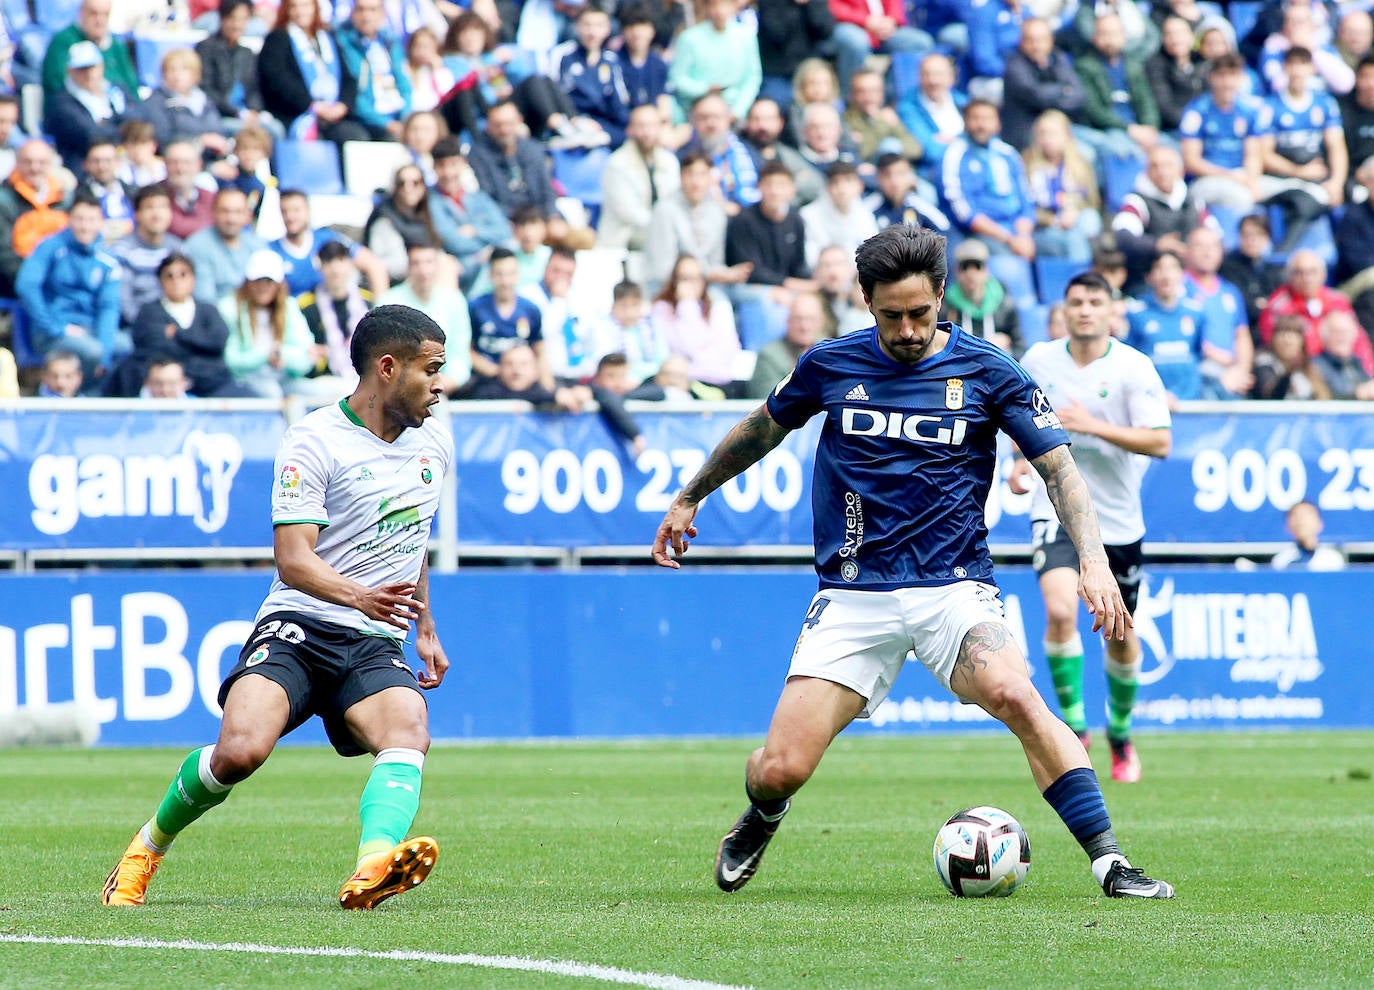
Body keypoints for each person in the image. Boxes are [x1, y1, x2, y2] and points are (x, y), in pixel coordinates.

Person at [650, 224, 1174, 900]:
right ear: (865, 299)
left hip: (953, 588)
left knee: (1017, 694)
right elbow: (760, 429)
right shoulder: (830, 363)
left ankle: (1111, 863)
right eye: (891, 315)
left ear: (941, 295)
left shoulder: (989, 370)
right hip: (853, 594)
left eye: (921, 313)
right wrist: (690, 497)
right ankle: (764, 814)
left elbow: (1060, 470)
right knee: (779, 769)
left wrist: (1094, 563)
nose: (907, 330)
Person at [102, 303, 452, 910]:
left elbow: (412, 540)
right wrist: (361, 596)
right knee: (239, 752)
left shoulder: (434, 446)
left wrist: (425, 624)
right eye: (432, 369)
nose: (440, 384)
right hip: (299, 625)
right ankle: (145, 849)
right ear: (388, 367)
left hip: (372, 639)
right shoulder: (315, 439)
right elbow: (293, 559)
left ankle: (372, 866)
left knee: (408, 731)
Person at [1012, 271, 1172, 783]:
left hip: (1117, 521)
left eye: (1094, 302)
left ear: (1110, 311)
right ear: (1063, 310)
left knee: (1120, 634)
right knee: (1061, 610)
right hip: (1055, 508)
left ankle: (1120, 735)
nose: (1084, 310)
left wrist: (1090, 426)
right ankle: (1076, 728)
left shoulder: (1134, 367)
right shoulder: (1039, 360)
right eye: (1076, 301)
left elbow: (1160, 441)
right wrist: (1017, 462)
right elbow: (1018, 421)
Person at [15, 193, 124, 387]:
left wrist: (105, 351)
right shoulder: (50, 247)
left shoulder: (108, 260)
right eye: (79, 219)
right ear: (69, 219)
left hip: (89, 329)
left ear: (101, 222)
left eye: (91, 220)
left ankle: (96, 395)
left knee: (124, 346)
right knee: (93, 352)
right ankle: (83, 397)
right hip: (51, 332)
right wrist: (56, 327)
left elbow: (108, 307)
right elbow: (26, 286)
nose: (85, 226)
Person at [217, 248, 316, 397]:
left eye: (269, 281)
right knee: (272, 393)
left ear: (278, 284)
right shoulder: (229, 308)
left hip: (286, 378)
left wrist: (283, 355)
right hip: (245, 380)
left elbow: (306, 357)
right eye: (258, 281)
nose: (263, 287)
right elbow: (230, 360)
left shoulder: (289, 307)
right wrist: (265, 355)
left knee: (332, 390)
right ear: (248, 282)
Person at [938, 239, 1024, 356]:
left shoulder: (1005, 305)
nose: (970, 274)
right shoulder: (945, 306)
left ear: (986, 270)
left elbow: (1020, 348)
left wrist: (1007, 350)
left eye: (977, 266)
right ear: (956, 271)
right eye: (964, 267)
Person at [184, 187, 269, 304]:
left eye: (238, 212)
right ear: (213, 213)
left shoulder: (258, 245)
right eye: (225, 211)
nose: (231, 219)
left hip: (253, 311)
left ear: (247, 216)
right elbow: (204, 299)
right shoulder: (197, 246)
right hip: (214, 312)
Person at [746, 291, 826, 399]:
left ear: (821, 322)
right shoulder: (769, 356)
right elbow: (768, 402)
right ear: (788, 320)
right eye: (798, 319)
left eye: (811, 319)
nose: (805, 326)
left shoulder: (830, 352)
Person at [1271, 500, 1346, 571]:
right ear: (1288, 525)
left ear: (1319, 523)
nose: (1301, 521)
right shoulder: (1281, 561)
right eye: (1295, 516)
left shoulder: (1332, 559)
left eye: (1306, 515)